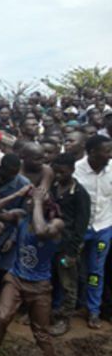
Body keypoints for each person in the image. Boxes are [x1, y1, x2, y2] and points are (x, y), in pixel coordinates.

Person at [0, 185, 63, 356]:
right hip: (16, 278)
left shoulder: (57, 223)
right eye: (28, 199)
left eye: (33, 200)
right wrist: (16, 194)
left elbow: (41, 231)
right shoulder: (20, 216)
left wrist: (37, 202)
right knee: (0, 318)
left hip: (40, 285)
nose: (28, 201)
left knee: (41, 332)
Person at [48, 153, 90, 336]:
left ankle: (64, 319)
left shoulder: (80, 194)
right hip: (49, 243)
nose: (57, 175)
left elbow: (81, 226)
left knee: (68, 284)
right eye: (55, 171)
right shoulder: (52, 188)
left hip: (67, 246)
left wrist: (72, 253)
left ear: (72, 170)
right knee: (46, 279)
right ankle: (44, 312)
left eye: (62, 172)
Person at [74, 134, 112, 329]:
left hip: (103, 227)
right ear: (92, 153)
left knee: (96, 271)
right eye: (107, 151)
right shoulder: (76, 170)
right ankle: (65, 308)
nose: (110, 154)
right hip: (80, 230)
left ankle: (93, 310)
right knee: (69, 268)